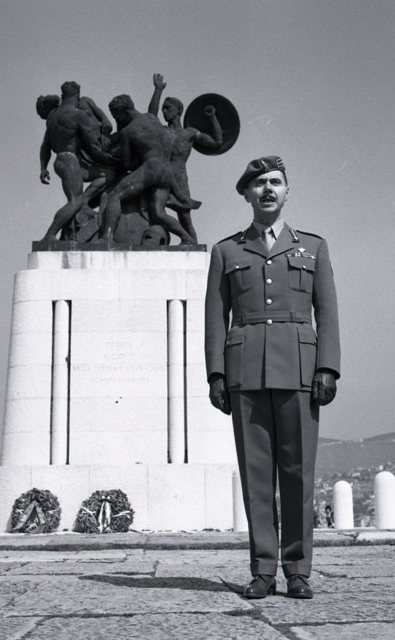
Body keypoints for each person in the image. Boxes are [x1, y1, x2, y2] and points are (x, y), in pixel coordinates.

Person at [204, 156, 340, 599]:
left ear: (286, 192)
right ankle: (263, 569)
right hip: (245, 374)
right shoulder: (227, 251)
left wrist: (327, 367)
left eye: (276, 182)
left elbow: (327, 312)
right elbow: (215, 317)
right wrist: (216, 374)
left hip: (300, 372)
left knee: (298, 473)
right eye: (259, 183)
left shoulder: (313, 247)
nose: (268, 189)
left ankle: (298, 570)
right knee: (256, 475)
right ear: (247, 194)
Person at [98, 94, 195, 245]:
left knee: (114, 196)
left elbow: (127, 164)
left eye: (117, 116)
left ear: (122, 113)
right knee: (159, 212)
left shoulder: (129, 131)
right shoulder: (152, 118)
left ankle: (107, 237)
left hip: (151, 168)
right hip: (167, 171)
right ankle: (186, 238)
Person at [148, 73, 224, 242]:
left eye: (168, 108)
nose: (164, 111)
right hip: (161, 176)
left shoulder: (189, 133)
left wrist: (212, 117)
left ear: (178, 111)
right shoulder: (162, 131)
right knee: (155, 211)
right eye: (163, 109)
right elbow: (151, 116)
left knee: (184, 216)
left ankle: (191, 243)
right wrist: (158, 90)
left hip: (179, 176)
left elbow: (217, 142)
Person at [38, 81, 116, 241]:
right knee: (74, 202)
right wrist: (107, 157)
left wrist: (43, 168)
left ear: (62, 96)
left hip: (63, 160)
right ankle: (49, 235)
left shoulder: (53, 117)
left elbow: (45, 145)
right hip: (69, 160)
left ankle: (85, 201)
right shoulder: (78, 115)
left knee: (107, 174)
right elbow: (93, 145)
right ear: (78, 95)